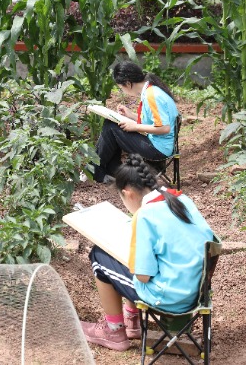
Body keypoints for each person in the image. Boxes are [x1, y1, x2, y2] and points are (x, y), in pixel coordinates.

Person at [80, 154, 214, 351]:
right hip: (196, 291)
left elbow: (143, 276)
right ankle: (131, 319)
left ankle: (113, 330)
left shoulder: (145, 215)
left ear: (128, 194)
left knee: (99, 256)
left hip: (169, 297)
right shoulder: (181, 199)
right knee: (129, 258)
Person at [88, 61, 179, 184]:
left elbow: (164, 128)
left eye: (121, 88)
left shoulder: (152, 96)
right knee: (111, 125)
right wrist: (130, 115)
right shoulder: (152, 90)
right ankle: (110, 170)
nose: (122, 90)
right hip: (159, 144)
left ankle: (96, 170)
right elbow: (153, 121)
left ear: (128, 83)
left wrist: (135, 127)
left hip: (158, 149)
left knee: (110, 127)